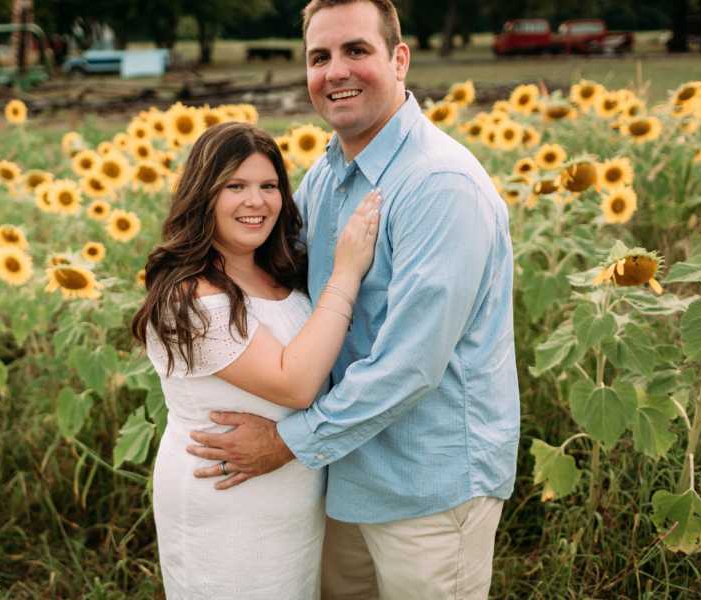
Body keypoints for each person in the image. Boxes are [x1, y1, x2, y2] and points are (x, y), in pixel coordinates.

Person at [185, 1, 521, 598]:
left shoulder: (438, 186)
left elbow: (411, 364)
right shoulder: (328, 176)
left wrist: (286, 442)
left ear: (399, 58)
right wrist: (184, 282)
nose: (335, 71)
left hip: (429, 487)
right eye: (320, 57)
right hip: (346, 473)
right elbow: (271, 277)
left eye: (356, 51)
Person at [131, 121, 381, 599]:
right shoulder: (189, 297)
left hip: (291, 501)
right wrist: (347, 272)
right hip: (224, 502)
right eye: (236, 186)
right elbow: (295, 384)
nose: (257, 202)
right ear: (203, 196)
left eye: (269, 187)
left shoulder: (279, 273)